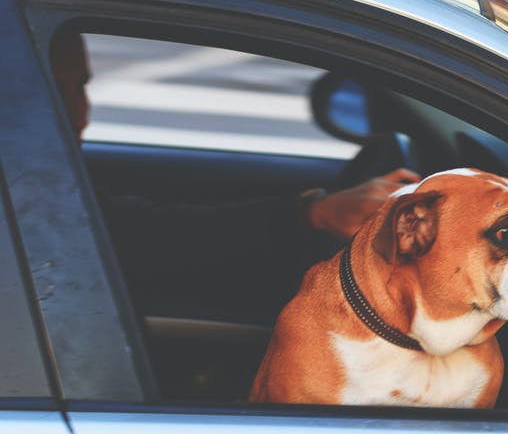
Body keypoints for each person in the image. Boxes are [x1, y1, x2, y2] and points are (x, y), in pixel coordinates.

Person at [50, 32, 420, 320]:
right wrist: (313, 214)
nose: (81, 114)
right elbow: (151, 241)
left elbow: (138, 230)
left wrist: (312, 212)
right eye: (53, 91)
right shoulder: (30, 201)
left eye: (82, 87)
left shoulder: (42, 195)